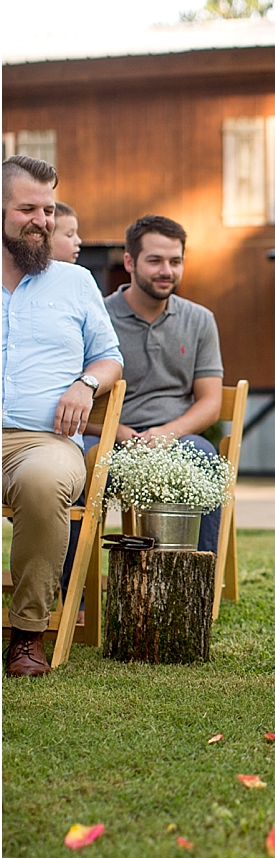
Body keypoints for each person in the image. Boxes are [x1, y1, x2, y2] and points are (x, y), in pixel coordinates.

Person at [2, 155, 123, 677]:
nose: (42, 220)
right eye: (27, 208)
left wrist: (86, 382)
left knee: (45, 481)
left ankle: (27, 634)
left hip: (44, 442)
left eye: (48, 209)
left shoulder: (75, 283)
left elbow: (110, 358)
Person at [98, 214, 224, 551]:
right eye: (154, 260)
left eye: (175, 261)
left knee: (204, 458)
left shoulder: (200, 320)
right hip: (108, 439)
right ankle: (74, 597)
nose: (166, 270)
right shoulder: (98, 316)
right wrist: (121, 434)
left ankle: (197, 593)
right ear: (130, 262)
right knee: (73, 469)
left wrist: (165, 434)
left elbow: (211, 403)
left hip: (177, 440)